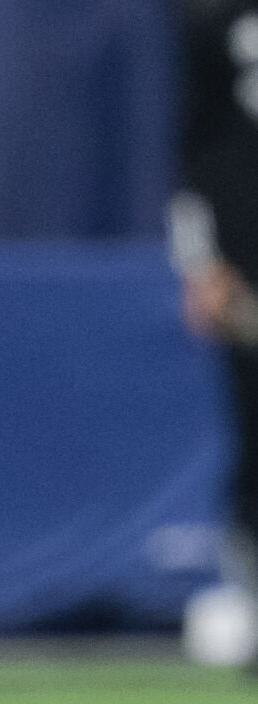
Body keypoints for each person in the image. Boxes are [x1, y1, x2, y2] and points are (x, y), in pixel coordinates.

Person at [174, 0, 258, 668]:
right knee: (252, 440)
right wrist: (200, 262)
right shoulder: (211, 23)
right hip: (245, 276)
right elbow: (192, 148)